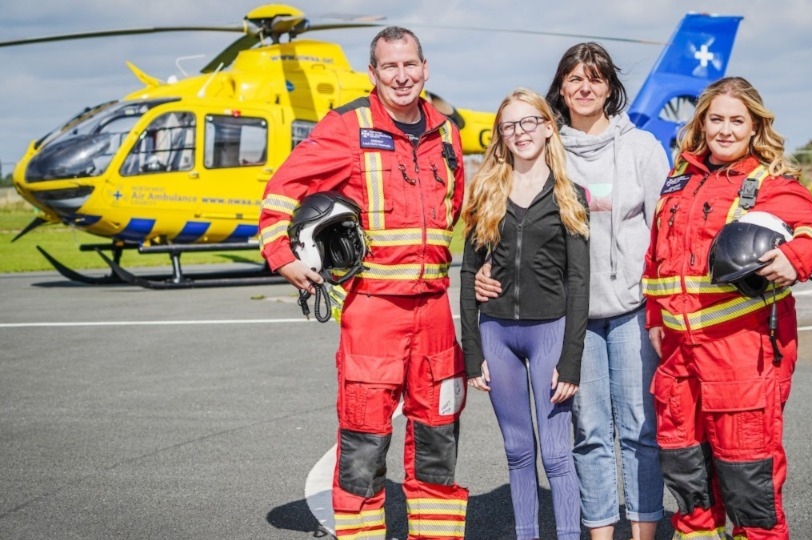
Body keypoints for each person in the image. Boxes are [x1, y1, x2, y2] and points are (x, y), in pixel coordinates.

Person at [258, 27, 468, 540]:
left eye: (410, 65)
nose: (402, 76)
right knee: (364, 435)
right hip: (373, 309)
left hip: (437, 308)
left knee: (440, 432)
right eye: (389, 67)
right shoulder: (345, 126)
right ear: (373, 74)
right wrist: (281, 254)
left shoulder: (447, 132)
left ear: (426, 68)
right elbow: (283, 190)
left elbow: (455, 205)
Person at [477, 42, 669, 540]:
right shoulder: (547, 145)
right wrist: (487, 273)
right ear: (560, 88)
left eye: (596, 79)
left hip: (628, 308)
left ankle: (643, 531)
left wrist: (663, 311)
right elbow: (515, 220)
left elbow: (666, 233)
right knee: (589, 434)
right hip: (565, 318)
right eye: (575, 79)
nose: (585, 88)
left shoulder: (641, 149)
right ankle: (599, 530)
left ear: (610, 88)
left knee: (638, 431)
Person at [641, 76, 812, 539]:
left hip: (742, 358)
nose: (725, 130)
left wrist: (795, 258)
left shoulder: (768, 184)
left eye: (737, 121)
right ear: (702, 123)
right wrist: (655, 318)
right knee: (688, 482)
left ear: (754, 128)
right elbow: (655, 262)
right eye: (717, 119)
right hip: (678, 361)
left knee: (749, 487)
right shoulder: (679, 182)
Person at [460, 88, 590, 540]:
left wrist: (571, 360)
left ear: (548, 126)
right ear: (500, 134)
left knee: (556, 455)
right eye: (510, 125)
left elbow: (579, 283)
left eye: (529, 122)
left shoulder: (570, 195)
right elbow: (468, 273)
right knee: (517, 451)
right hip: (497, 334)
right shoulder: (485, 191)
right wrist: (471, 350)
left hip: (550, 332)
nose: (520, 133)